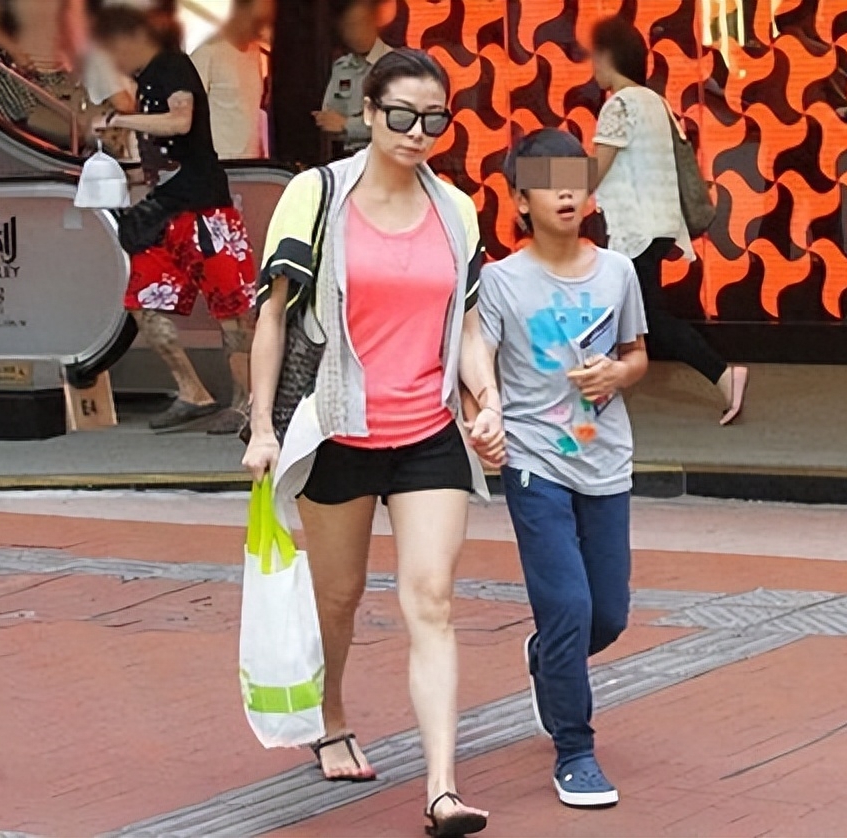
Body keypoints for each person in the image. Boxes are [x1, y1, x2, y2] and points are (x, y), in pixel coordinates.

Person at [242, 48, 502, 837]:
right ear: (367, 113)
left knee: (432, 601)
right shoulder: (317, 195)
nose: (417, 132)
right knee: (340, 596)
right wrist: (262, 427)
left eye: (433, 119)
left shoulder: (456, 210)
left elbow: (468, 323)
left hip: (428, 432)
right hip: (339, 428)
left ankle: (442, 789)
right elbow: (273, 315)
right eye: (401, 115)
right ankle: (330, 717)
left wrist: (487, 400)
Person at [477, 128, 648, 809]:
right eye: (549, 184)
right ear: (521, 200)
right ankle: (575, 752)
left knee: (607, 615)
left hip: (605, 458)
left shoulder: (618, 271)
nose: (567, 194)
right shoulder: (500, 281)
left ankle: (547, 655)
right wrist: (485, 417)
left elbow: (637, 354)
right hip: (533, 460)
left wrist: (618, 374)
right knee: (569, 607)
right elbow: (478, 366)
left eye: (576, 181)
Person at [91, 6, 255, 435]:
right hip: (165, 208)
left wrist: (120, 119)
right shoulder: (147, 78)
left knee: (232, 310)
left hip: (204, 207)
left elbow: (181, 121)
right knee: (141, 299)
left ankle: (247, 403)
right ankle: (192, 391)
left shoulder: (171, 65)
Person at [590, 16, 748, 425]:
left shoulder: (619, 105)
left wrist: (532, 174)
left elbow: (592, 173)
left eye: (594, 55)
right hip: (660, 226)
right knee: (626, 314)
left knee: (646, 319)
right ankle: (596, 394)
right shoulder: (655, 102)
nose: (591, 65)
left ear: (608, 55)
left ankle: (724, 375)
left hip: (634, 230)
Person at [190, 0, 273, 160]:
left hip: (252, 160)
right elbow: (190, 111)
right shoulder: (208, 52)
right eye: (258, 20)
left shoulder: (255, 53)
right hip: (219, 160)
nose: (261, 28)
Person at [315, 0, 391, 157]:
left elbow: (394, 121)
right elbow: (328, 118)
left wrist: (347, 125)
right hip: (345, 156)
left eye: (361, 23)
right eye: (349, 26)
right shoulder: (341, 67)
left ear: (375, 21)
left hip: (383, 156)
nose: (356, 32)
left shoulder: (394, 65)